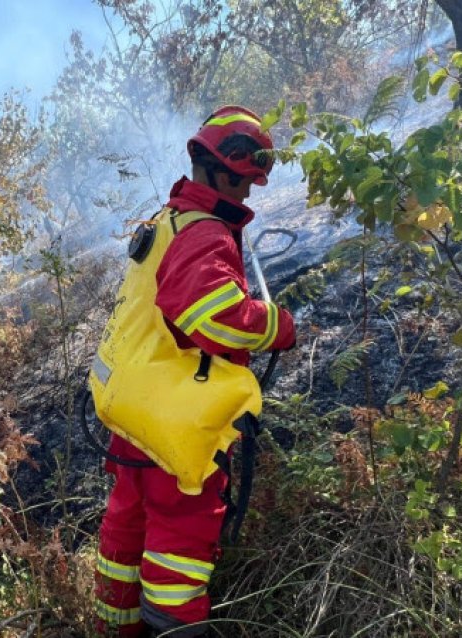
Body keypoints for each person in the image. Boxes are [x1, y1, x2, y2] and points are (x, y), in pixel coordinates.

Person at [92, 106, 296, 637]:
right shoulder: (206, 232)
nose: (250, 190)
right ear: (222, 165)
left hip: (134, 409)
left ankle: (119, 626)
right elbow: (212, 317)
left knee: (127, 521)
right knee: (179, 536)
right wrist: (277, 325)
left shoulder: (166, 220)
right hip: (176, 418)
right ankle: (175, 629)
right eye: (247, 177)